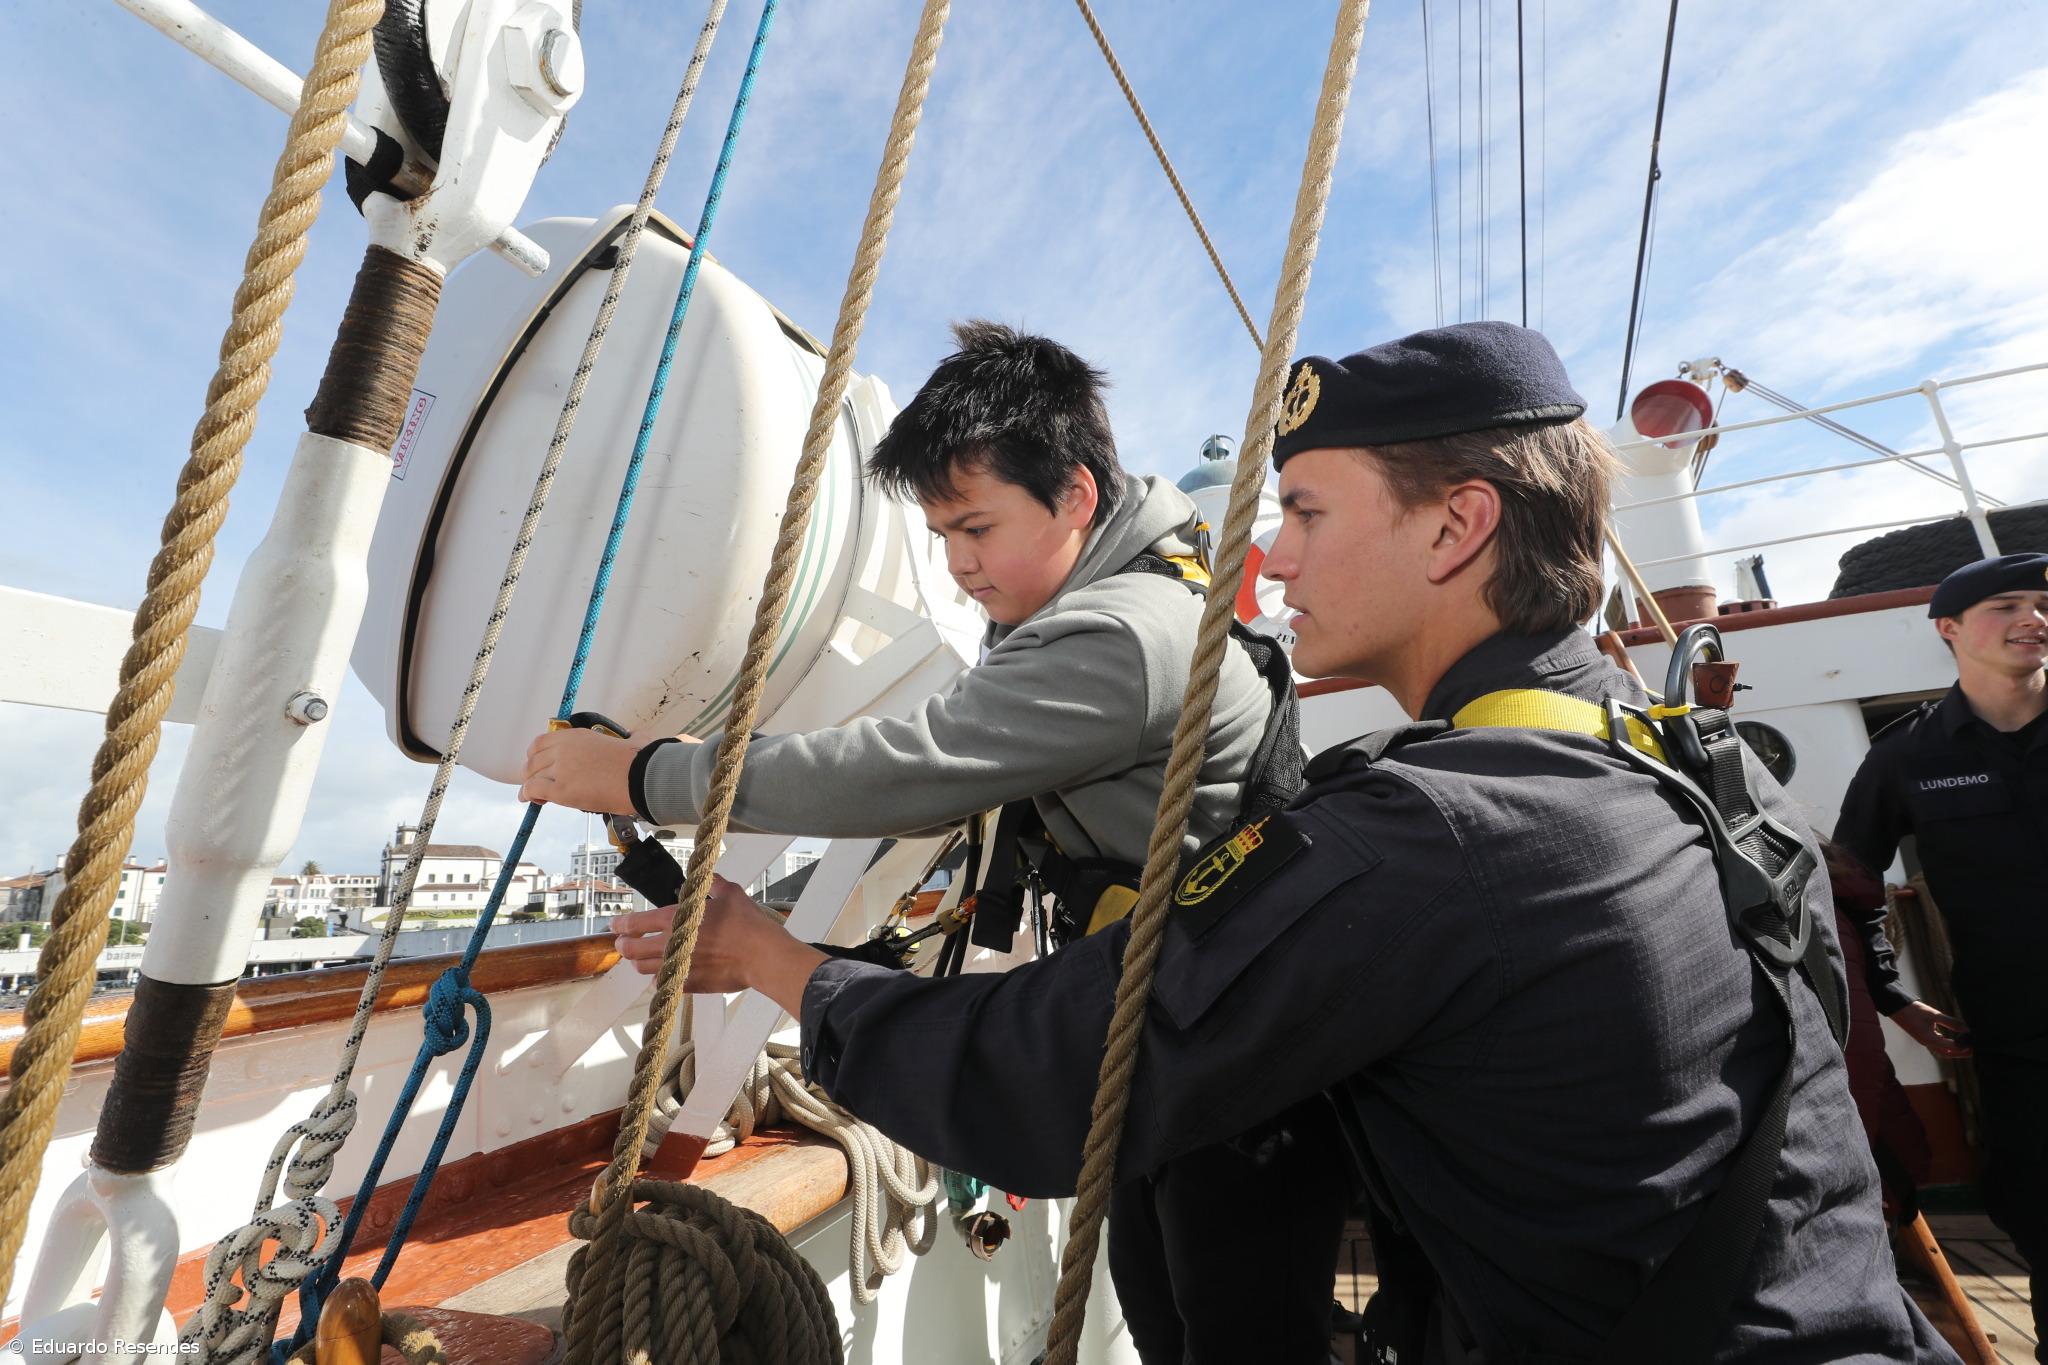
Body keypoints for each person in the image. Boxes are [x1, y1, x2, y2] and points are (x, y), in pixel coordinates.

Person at [675, 322, 1959, 1364]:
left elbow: (1056, 1072)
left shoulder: (1441, 827)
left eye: (1304, 514)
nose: (1270, 561)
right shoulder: (1671, 752)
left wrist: (776, 961)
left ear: (1454, 527)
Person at [518, 321, 1345, 1364]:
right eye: (942, 537)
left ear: (1078, 496)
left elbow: (903, 771)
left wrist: (644, 774)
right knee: (1174, 1315)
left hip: (1232, 1071)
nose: (959, 567)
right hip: (1197, 1036)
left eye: (976, 529)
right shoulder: (1144, 594)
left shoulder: (1122, 634)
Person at [1834, 551, 2048, 1356]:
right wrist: (1894, 998)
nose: (2034, 618)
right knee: (2039, 1213)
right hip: (2020, 1038)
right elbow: (1849, 886)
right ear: (1950, 630)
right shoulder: (1908, 758)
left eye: (2041, 602)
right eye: (2007, 606)